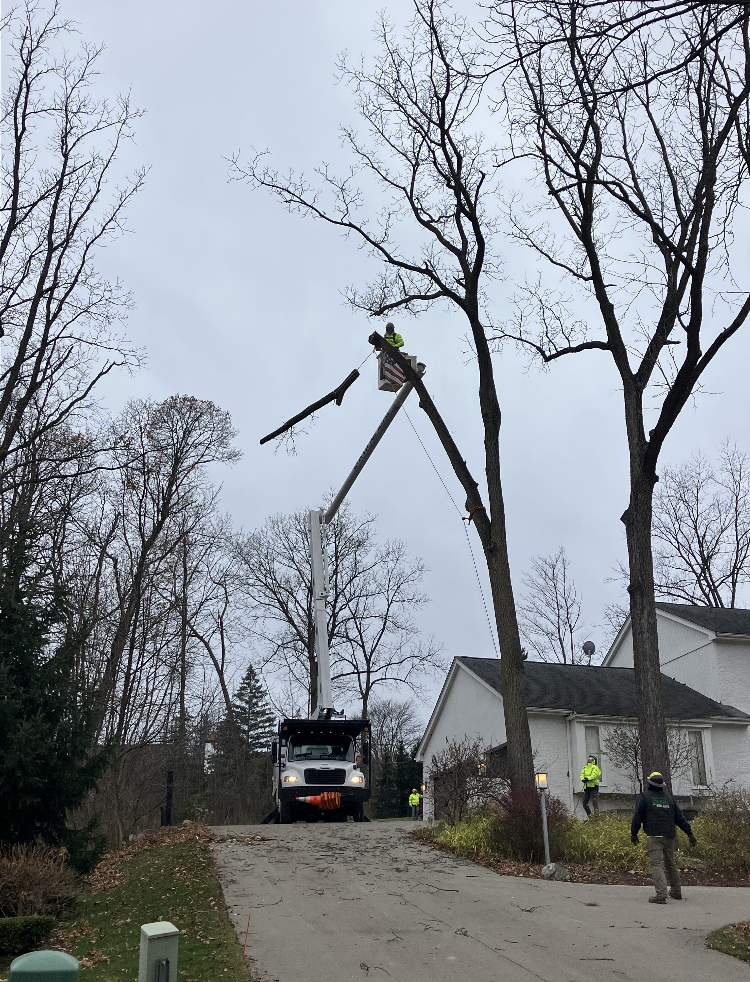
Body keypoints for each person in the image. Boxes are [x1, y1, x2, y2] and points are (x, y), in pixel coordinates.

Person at [631, 771, 697, 904]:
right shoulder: (669, 799)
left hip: (654, 835)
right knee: (670, 863)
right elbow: (680, 818)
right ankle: (676, 891)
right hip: (669, 835)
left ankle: (661, 894)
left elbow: (637, 816)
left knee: (656, 864)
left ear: (649, 783)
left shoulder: (645, 797)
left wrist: (634, 833)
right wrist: (689, 834)